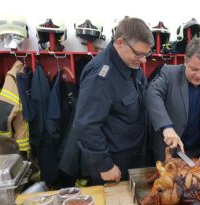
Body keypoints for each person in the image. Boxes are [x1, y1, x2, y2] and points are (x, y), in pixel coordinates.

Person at [73, 17, 154, 184]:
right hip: (115, 166)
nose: (144, 60)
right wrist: (104, 165)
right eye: (139, 53)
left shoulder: (132, 66)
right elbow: (86, 126)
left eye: (147, 54)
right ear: (119, 42)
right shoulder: (101, 76)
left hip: (137, 156)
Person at [145, 37, 200, 159]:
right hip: (169, 152)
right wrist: (166, 127)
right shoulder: (168, 73)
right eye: (194, 69)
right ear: (185, 61)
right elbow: (152, 94)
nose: (198, 75)